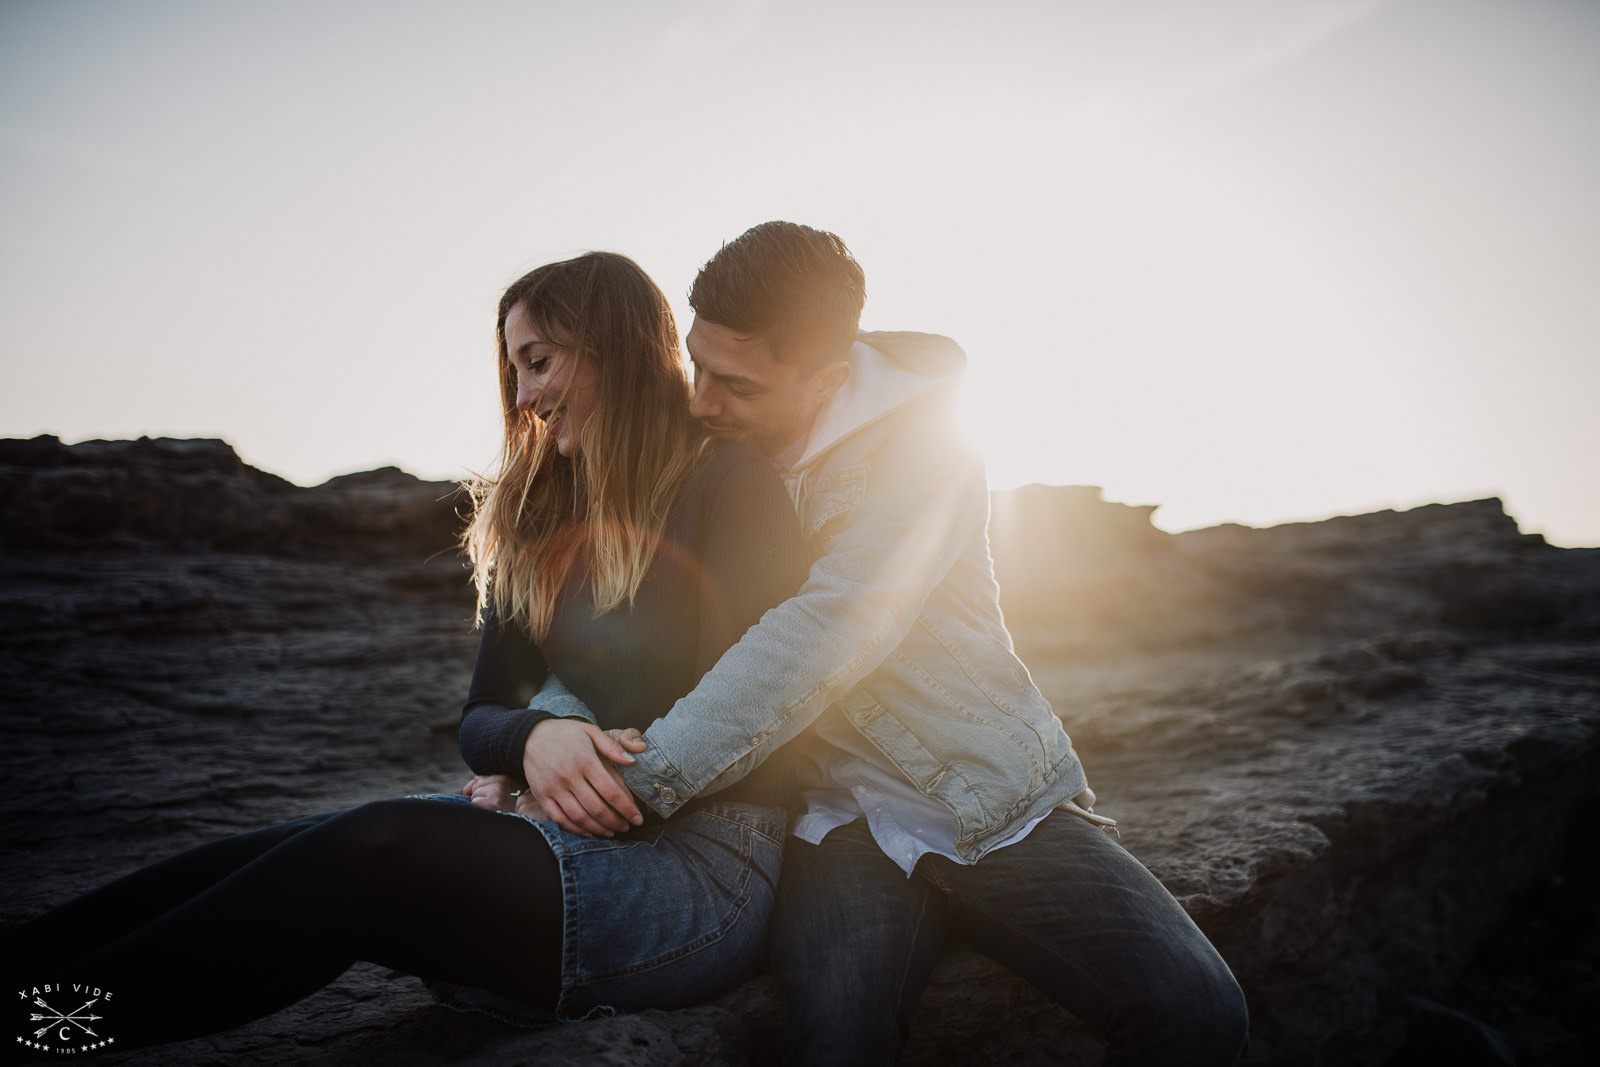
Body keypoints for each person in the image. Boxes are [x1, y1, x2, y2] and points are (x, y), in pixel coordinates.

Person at [0, 252, 808, 1052]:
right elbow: (481, 714)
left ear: (616, 347)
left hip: (703, 872)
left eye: (538, 362)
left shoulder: (731, 482)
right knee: (286, 846)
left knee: (375, 848)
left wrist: (551, 768)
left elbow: (750, 721)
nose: (523, 397)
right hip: (567, 832)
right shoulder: (539, 516)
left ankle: (45, 1033)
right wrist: (530, 739)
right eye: (514, 370)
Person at [513, 223, 1251, 1066]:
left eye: (738, 384)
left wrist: (635, 785)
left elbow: (831, 625)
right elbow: (614, 615)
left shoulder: (930, 455)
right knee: (835, 1044)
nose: (703, 400)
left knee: (1198, 1012)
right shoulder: (697, 454)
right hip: (829, 826)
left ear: (828, 377)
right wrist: (542, 740)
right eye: (699, 364)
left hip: (983, 798)